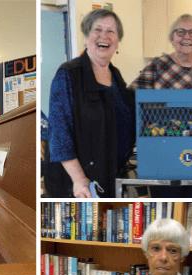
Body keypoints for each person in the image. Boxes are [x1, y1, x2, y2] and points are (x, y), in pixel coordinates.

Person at [132, 14, 192, 198]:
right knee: (165, 203)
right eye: (180, 31)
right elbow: (131, 95)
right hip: (162, 149)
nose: (186, 37)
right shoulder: (158, 65)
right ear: (172, 38)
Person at [46, 9, 135, 198]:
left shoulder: (116, 76)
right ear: (86, 37)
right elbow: (59, 135)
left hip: (110, 178)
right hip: (78, 187)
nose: (104, 36)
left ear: (117, 41)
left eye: (111, 31)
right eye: (97, 29)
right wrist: (79, 179)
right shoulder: (68, 75)